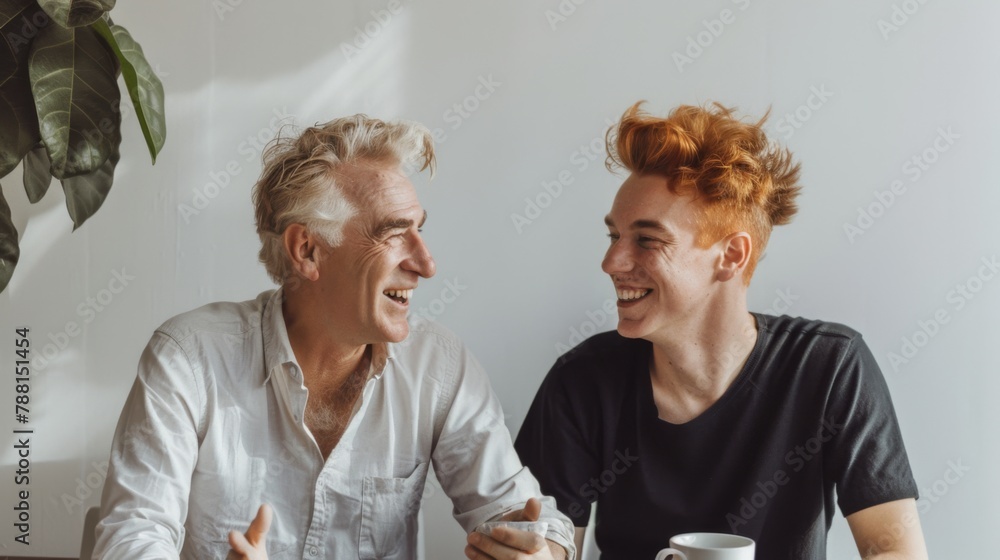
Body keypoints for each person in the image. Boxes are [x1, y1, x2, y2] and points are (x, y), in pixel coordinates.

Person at [92, 115, 576, 560]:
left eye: (420, 230)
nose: (426, 264)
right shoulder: (189, 357)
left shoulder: (440, 364)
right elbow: (132, 537)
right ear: (307, 250)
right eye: (393, 234)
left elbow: (524, 516)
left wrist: (541, 551)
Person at [514, 102, 928, 559]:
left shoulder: (829, 367)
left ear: (731, 256)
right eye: (614, 236)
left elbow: (897, 551)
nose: (611, 262)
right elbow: (552, 545)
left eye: (647, 239)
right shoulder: (582, 379)